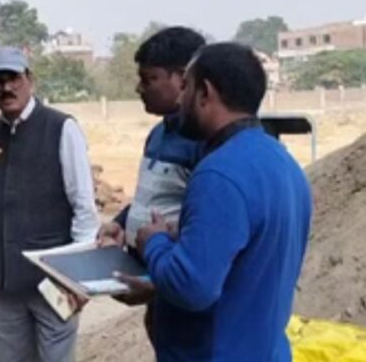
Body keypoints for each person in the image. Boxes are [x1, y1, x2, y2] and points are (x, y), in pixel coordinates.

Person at [121, 43, 312, 361]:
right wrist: (183, 243)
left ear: (205, 93)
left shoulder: (218, 174)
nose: (179, 100)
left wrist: (153, 243)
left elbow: (191, 288)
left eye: (185, 87)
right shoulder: (282, 162)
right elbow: (246, 266)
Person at [0, 47, 100, 362]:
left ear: (30, 79)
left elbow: (84, 207)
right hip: (4, 286)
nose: (6, 88)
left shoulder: (61, 128)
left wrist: (76, 278)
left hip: (53, 283)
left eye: (13, 78)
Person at [97, 27, 206, 338]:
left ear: (183, 78)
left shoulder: (205, 144)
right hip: (156, 291)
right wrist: (120, 223)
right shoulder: (158, 135)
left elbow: (204, 227)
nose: (139, 88)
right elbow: (155, 198)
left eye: (149, 79)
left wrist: (161, 283)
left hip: (182, 289)